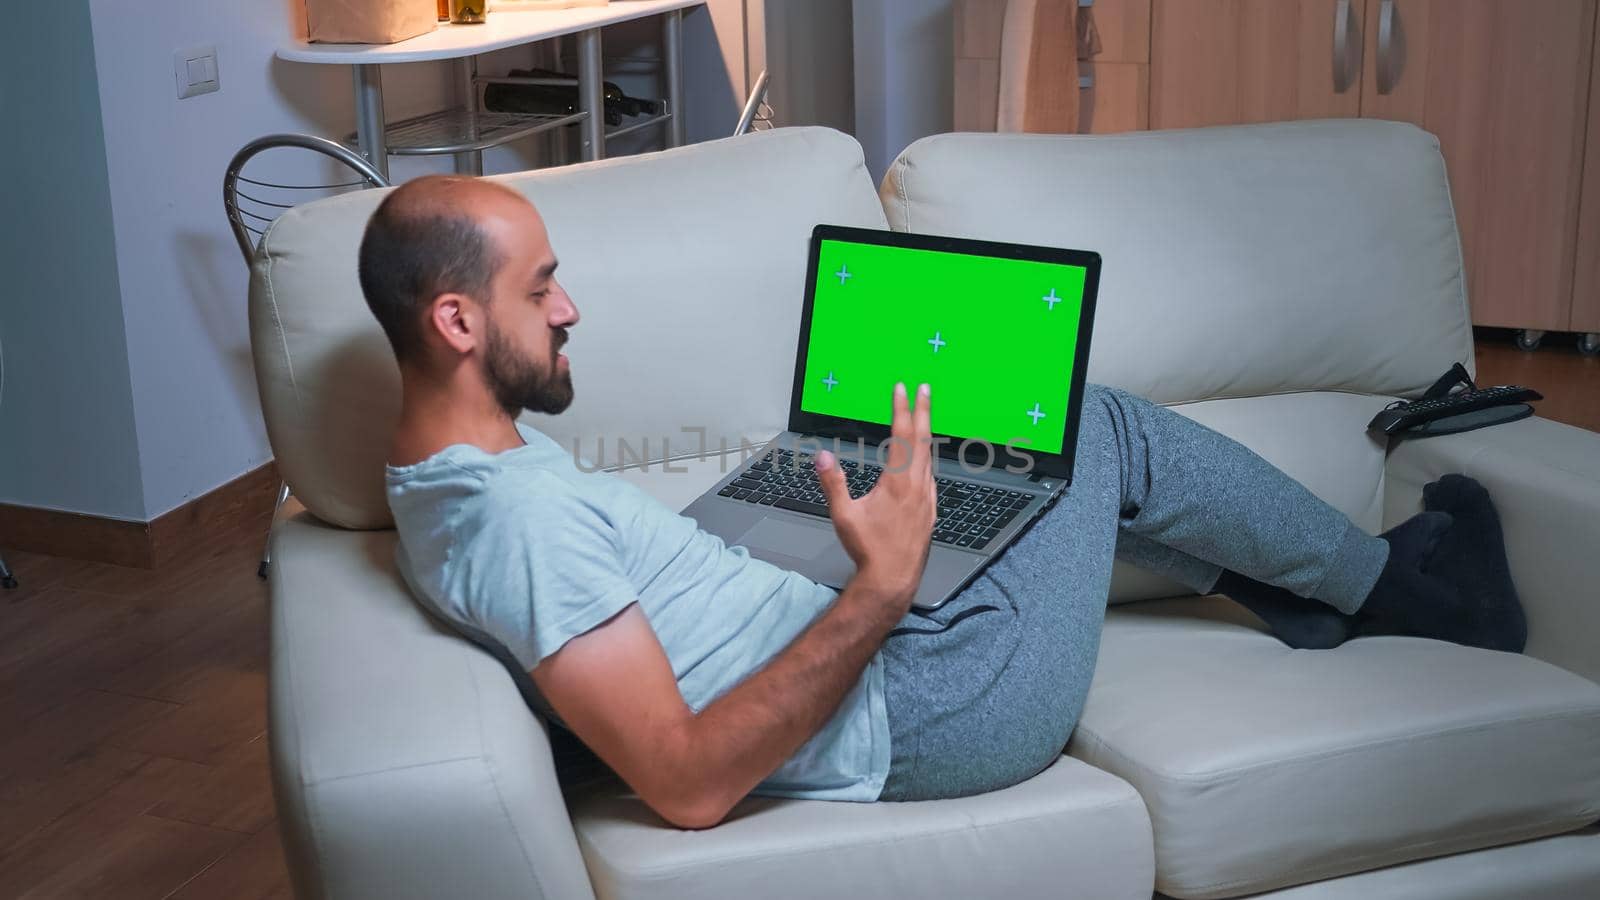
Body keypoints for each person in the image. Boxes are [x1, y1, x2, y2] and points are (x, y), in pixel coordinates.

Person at [362, 175, 1525, 829]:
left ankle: (1303, 590)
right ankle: (1408, 593)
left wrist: (814, 544)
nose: (569, 311)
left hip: (869, 641)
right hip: (934, 709)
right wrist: (876, 587)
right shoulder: (510, 522)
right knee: (1093, 424)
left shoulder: (451, 474)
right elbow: (683, 781)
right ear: (457, 323)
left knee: (987, 465)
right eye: (541, 287)